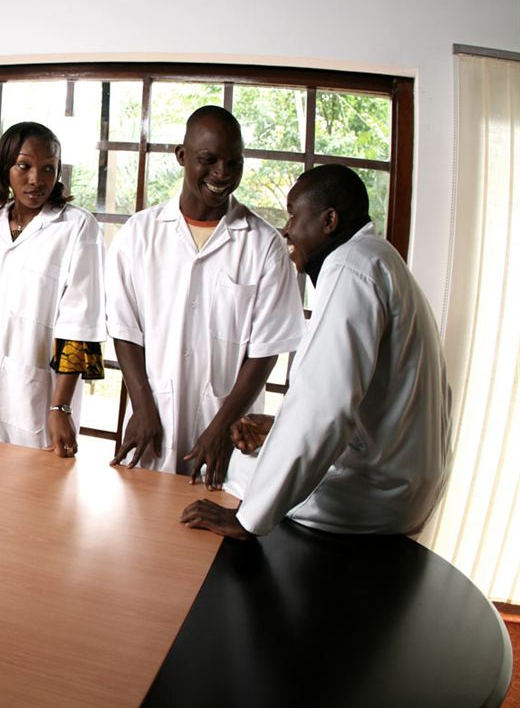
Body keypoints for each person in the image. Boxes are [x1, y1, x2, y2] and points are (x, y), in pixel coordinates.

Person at [181, 164, 451, 537]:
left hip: (372, 495)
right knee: (265, 455)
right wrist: (278, 429)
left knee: (227, 466)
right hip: (406, 486)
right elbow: (368, 398)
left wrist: (246, 519)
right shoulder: (380, 258)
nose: (288, 229)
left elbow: (323, 407)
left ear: (329, 221)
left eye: (294, 215)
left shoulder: (350, 267)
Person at [106, 106, 304, 485]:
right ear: (182, 156)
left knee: (213, 525)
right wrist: (143, 405)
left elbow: (265, 351)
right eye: (208, 160)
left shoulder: (264, 245)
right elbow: (125, 329)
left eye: (234, 163)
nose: (222, 175)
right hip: (155, 418)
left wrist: (222, 426)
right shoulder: (139, 234)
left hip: (226, 427)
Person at [0, 122, 105, 456]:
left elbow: (80, 326)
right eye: (25, 166)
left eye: (48, 168)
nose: (37, 179)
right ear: (5, 167)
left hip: (32, 398)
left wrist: (60, 408)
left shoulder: (76, 227)